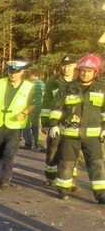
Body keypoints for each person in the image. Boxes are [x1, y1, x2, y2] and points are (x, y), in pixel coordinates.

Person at [48, 53, 105, 203]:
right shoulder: (67, 88)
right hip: (69, 134)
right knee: (66, 164)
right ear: (78, 71)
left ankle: (101, 195)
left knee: (97, 165)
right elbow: (56, 108)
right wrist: (53, 125)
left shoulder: (101, 89)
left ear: (95, 72)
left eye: (89, 71)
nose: (85, 73)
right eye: (82, 70)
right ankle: (62, 190)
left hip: (92, 136)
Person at [0, 59, 35, 189]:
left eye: (16, 72)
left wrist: (24, 113)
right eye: (11, 71)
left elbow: (33, 104)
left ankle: (4, 179)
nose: (12, 74)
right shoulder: (0, 83)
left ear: (22, 72)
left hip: (15, 125)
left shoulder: (29, 87)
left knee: (9, 151)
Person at [40, 55, 78, 185]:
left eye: (69, 65)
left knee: (72, 152)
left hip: (74, 123)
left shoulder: (80, 81)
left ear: (75, 65)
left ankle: (69, 179)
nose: (65, 68)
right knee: (53, 150)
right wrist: (45, 124)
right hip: (55, 122)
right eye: (63, 65)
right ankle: (50, 177)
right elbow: (46, 104)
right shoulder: (53, 82)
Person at [21, 69, 45, 149]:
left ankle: (28, 142)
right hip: (39, 105)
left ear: (32, 75)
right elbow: (43, 94)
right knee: (35, 124)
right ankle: (36, 142)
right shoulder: (42, 83)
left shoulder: (29, 83)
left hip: (30, 105)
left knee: (26, 124)